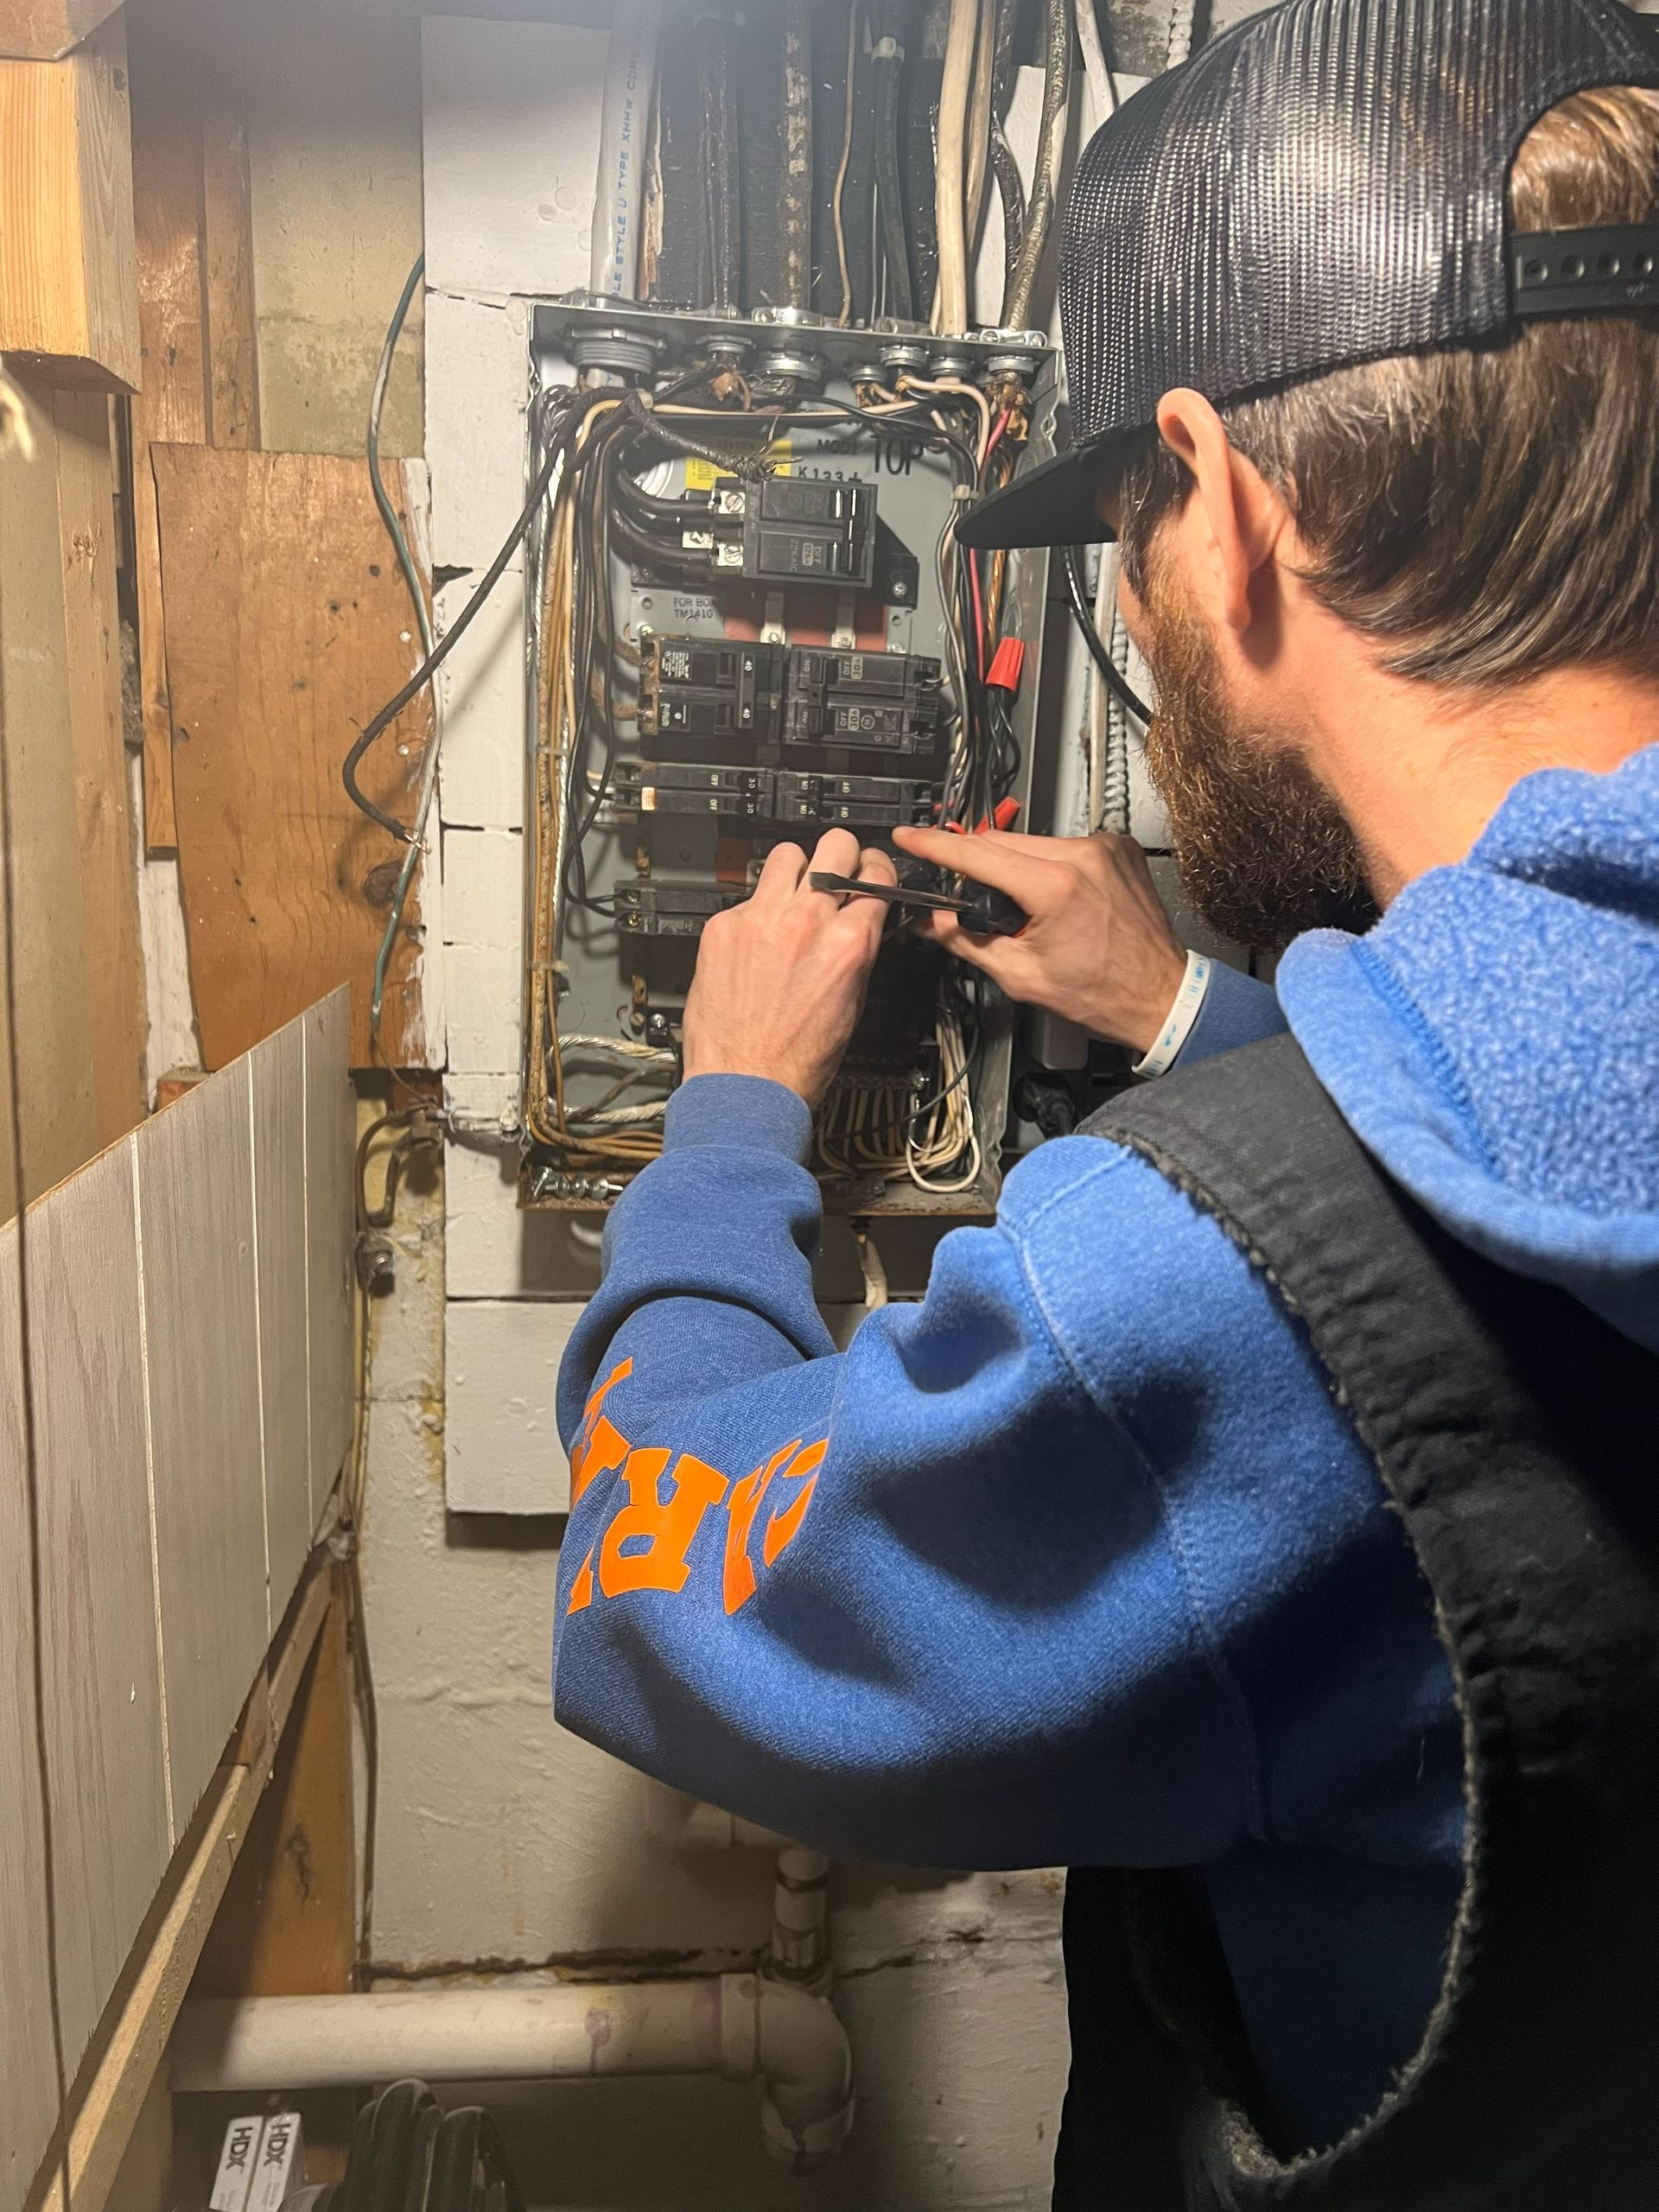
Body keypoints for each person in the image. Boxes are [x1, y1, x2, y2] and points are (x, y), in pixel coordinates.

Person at [551, 0, 1659, 2199]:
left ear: (1231, 512)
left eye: (1134, 553)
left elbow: (652, 1587)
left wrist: (729, 1130)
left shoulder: (1189, 1297)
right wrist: (1200, 1024)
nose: (1143, 634)